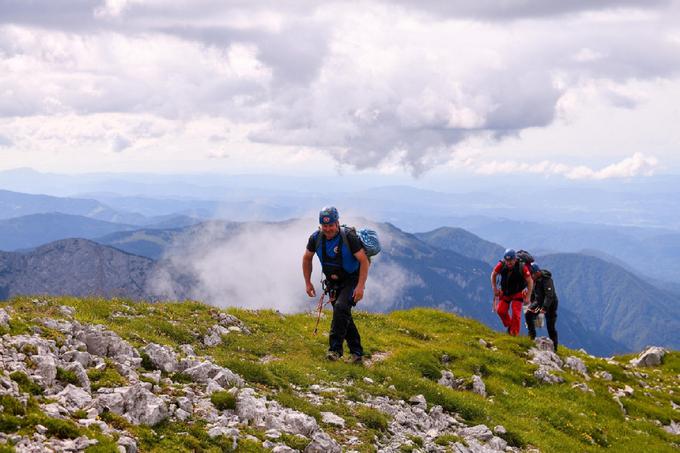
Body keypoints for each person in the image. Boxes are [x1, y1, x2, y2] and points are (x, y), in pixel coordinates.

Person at [302, 206, 370, 363]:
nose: (328, 229)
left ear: (337, 223)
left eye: (331, 225)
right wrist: (308, 282)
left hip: (351, 280)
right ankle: (357, 353)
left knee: (340, 308)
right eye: (324, 226)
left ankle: (335, 350)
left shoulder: (349, 238)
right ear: (320, 225)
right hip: (332, 283)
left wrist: (360, 286)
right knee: (343, 314)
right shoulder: (315, 238)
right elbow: (307, 258)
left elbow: (363, 260)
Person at [490, 248, 533, 336]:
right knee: (500, 311)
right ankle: (510, 326)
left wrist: (528, 296)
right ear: (505, 259)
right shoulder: (501, 264)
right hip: (505, 292)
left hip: (517, 293)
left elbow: (530, 281)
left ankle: (514, 334)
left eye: (511, 260)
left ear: (515, 259)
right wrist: (494, 288)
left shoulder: (522, 267)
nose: (509, 262)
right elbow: (493, 274)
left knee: (516, 314)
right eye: (507, 260)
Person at [526, 263, 559, 352]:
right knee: (528, 314)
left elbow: (549, 295)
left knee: (550, 327)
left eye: (532, 274)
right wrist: (531, 304)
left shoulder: (547, 280)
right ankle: (531, 336)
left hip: (550, 305)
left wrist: (544, 308)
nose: (531, 276)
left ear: (537, 272)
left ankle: (554, 348)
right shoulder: (534, 279)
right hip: (539, 302)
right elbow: (533, 293)